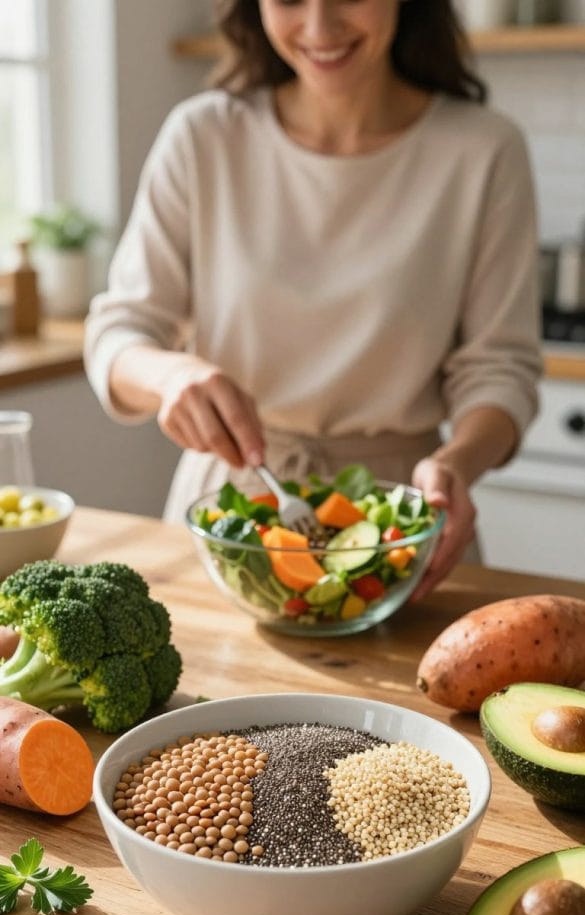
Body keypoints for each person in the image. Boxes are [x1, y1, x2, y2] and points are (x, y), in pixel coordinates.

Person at [85, 0, 543, 600]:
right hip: (233, 524)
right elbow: (119, 332)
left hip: (398, 531)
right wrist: (172, 377)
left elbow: (500, 371)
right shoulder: (203, 136)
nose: (320, 27)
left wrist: (456, 465)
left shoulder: (484, 150)